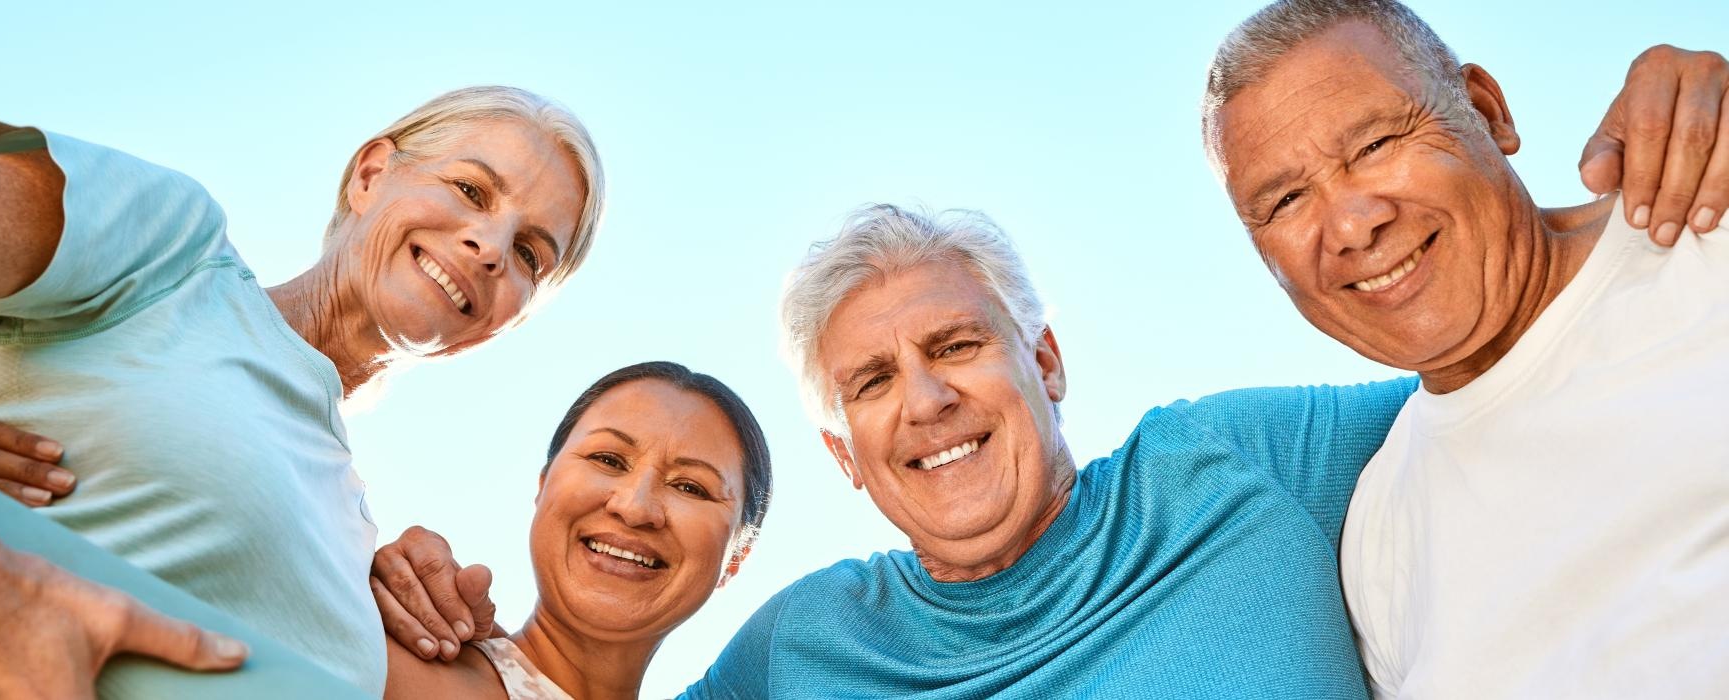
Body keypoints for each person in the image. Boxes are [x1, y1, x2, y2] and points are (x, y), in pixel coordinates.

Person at [357, 42, 1729, 700]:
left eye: (958, 346)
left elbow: (1501, 343)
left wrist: (1670, 151)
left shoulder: (1238, 465)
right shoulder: (804, 646)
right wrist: (396, 595)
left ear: (1048, 361)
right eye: (872, 384)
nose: (928, 400)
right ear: (843, 456)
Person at [0, 85, 604, 695]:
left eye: (529, 254)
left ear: (505, 323)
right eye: (471, 190)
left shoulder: (356, 544)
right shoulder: (170, 249)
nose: (492, 245)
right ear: (370, 175)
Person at [1203, 1, 1729, 696]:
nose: (1353, 227)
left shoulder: (1709, 238)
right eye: (1286, 201)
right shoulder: (1377, 548)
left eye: (1375, 145)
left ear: (1486, 110)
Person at [374, 362, 772, 700]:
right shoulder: (384, 663)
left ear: (736, 558)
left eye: (690, 487)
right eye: (608, 459)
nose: (634, 508)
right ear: (543, 486)